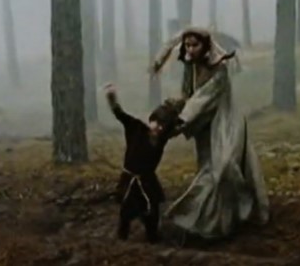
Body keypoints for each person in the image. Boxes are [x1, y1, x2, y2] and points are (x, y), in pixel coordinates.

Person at [150, 27, 270, 240]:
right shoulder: (190, 64)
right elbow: (188, 94)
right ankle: (209, 223)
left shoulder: (220, 67)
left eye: (195, 45)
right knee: (209, 171)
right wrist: (170, 110)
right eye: (187, 45)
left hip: (226, 122)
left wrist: (183, 118)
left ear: (205, 45)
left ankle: (241, 212)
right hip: (204, 125)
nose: (190, 49)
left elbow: (205, 96)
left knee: (226, 167)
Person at [103, 83, 184, 243]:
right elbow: (120, 114)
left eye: (163, 126)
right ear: (152, 119)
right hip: (131, 180)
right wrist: (112, 98)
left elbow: (180, 126)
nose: (158, 128)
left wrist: (181, 105)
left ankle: (153, 239)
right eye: (157, 123)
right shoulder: (136, 127)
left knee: (152, 213)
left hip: (147, 181)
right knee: (126, 212)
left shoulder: (162, 139)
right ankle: (121, 241)